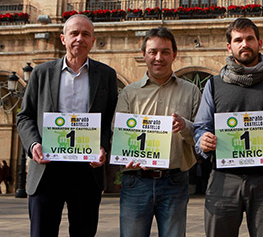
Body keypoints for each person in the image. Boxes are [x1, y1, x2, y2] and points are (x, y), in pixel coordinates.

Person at [193, 17, 263, 237]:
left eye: (249, 39)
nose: (245, 44)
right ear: (229, 46)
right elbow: (200, 127)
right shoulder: (214, 84)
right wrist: (203, 140)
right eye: (238, 40)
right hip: (224, 178)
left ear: (259, 43)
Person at [16, 14, 117, 237]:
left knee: (84, 232)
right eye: (74, 33)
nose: (79, 39)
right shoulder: (41, 73)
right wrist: (34, 145)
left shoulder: (107, 75)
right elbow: (25, 117)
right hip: (47, 168)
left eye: (85, 34)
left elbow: (111, 119)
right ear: (63, 38)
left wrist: (103, 146)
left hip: (86, 170)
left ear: (93, 40)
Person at [115, 27, 201, 237]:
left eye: (165, 52)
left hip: (175, 180)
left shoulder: (191, 91)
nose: (158, 58)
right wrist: (125, 154)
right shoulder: (129, 93)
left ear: (174, 55)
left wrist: (185, 126)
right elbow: (117, 132)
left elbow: (201, 136)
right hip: (136, 180)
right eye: (153, 52)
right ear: (144, 54)